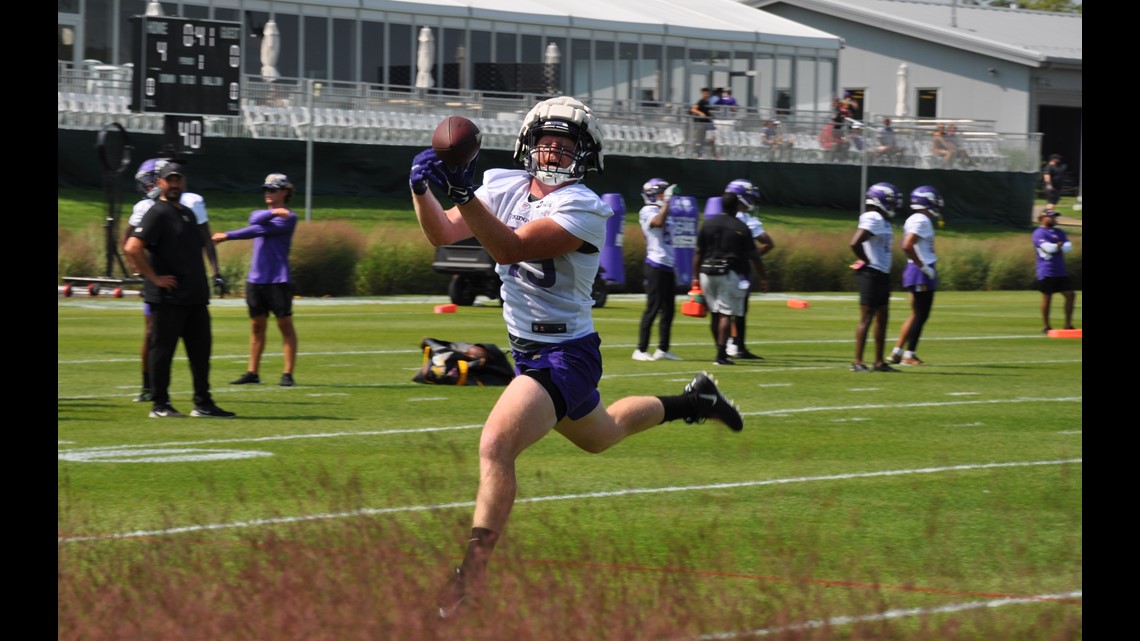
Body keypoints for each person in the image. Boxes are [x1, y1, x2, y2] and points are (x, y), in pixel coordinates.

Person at [407, 96, 744, 618]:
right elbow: (443, 232)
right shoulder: (500, 185)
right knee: (601, 435)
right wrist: (421, 189)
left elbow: (510, 248)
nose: (554, 153)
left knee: (496, 445)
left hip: (566, 352)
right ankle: (692, 401)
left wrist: (463, 191)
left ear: (585, 154)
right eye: (546, 143)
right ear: (527, 145)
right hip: (528, 349)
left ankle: (468, 579)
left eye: (566, 146)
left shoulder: (586, 205)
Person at [123, 163, 235, 418]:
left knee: (201, 353)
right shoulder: (157, 212)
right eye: (169, 180)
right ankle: (160, 404)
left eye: (178, 180)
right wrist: (154, 278)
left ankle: (203, 403)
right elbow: (132, 247)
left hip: (194, 296)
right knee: (163, 352)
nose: (174, 184)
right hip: (169, 297)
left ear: (183, 182)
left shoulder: (187, 213)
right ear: (160, 183)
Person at [212, 173, 300, 387]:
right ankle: (253, 372)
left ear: (285, 192)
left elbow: (257, 229)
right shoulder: (265, 214)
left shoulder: (290, 217)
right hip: (256, 279)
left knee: (284, 325)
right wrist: (271, 213)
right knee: (256, 326)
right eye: (266, 190)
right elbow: (255, 219)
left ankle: (287, 374)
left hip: (278, 279)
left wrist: (228, 235)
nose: (268, 194)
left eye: (273, 190)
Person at [692, 192, 759, 366]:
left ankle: (720, 349)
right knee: (726, 314)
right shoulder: (740, 227)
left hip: (706, 273)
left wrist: (695, 277)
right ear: (737, 207)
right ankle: (721, 354)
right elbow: (754, 255)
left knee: (714, 314)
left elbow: (698, 252)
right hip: (728, 273)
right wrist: (764, 276)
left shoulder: (707, 224)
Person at [849, 182, 901, 373]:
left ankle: (879, 362)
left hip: (881, 273)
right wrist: (865, 260)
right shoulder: (873, 217)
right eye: (891, 201)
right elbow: (855, 243)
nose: (894, 205)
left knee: (883, 317)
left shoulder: (882, 220)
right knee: (867, 317)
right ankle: (858, 362)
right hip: (871, 273)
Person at [889, 185, 943, 367]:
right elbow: (907, 245)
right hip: (920, 270)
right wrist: (924, 266)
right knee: (921, 315)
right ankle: (909, 354)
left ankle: (897, 352)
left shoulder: (915, 218)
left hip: (917, 268)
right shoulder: (921, 220)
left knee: (916, 314)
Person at [632, 178, 682, 362]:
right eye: (661, 193)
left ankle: (663, 349)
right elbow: (658, 223)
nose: (664, 196)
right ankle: (641, 349)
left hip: (667, 264)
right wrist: (667, 202)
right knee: (652, 308)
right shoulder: (647, 210)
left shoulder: (663, 210)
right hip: (655, 264)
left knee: (668, 310)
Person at [723, 179, 772, 361]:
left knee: (727, 309)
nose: (751, 201)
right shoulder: (745, 221)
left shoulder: (717, 217)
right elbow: (768, 243)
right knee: (738, 310)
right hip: (738, 270)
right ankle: (735, 346)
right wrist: (748, 255)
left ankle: (731, 345)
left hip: (717, 267)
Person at [1032, 207, 1077, 333]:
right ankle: (1046, 326)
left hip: (1060, 270)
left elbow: (1068, 248)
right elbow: (1049, 248)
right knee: (1047, 297)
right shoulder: (1039, 233)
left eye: (1054, 216)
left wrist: (1057, 246)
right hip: (1046, 270)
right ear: (1043, 218)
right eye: (1051, 216)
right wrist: (1059, 245)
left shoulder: (1059, 232)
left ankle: (1068, 324)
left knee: (1071, 295)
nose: (1054, 219)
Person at [688, 87, 715, 158]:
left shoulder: (708, 102)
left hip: (708, 124)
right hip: (702, 124)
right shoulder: (701, 101)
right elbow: (693, 109)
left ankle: (713, 155)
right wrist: (700, 113)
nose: (706, 95)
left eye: (707, 93)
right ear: (702, 94)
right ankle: (699, 154)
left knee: (712, 139)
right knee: (701, 139)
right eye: (704, 93)